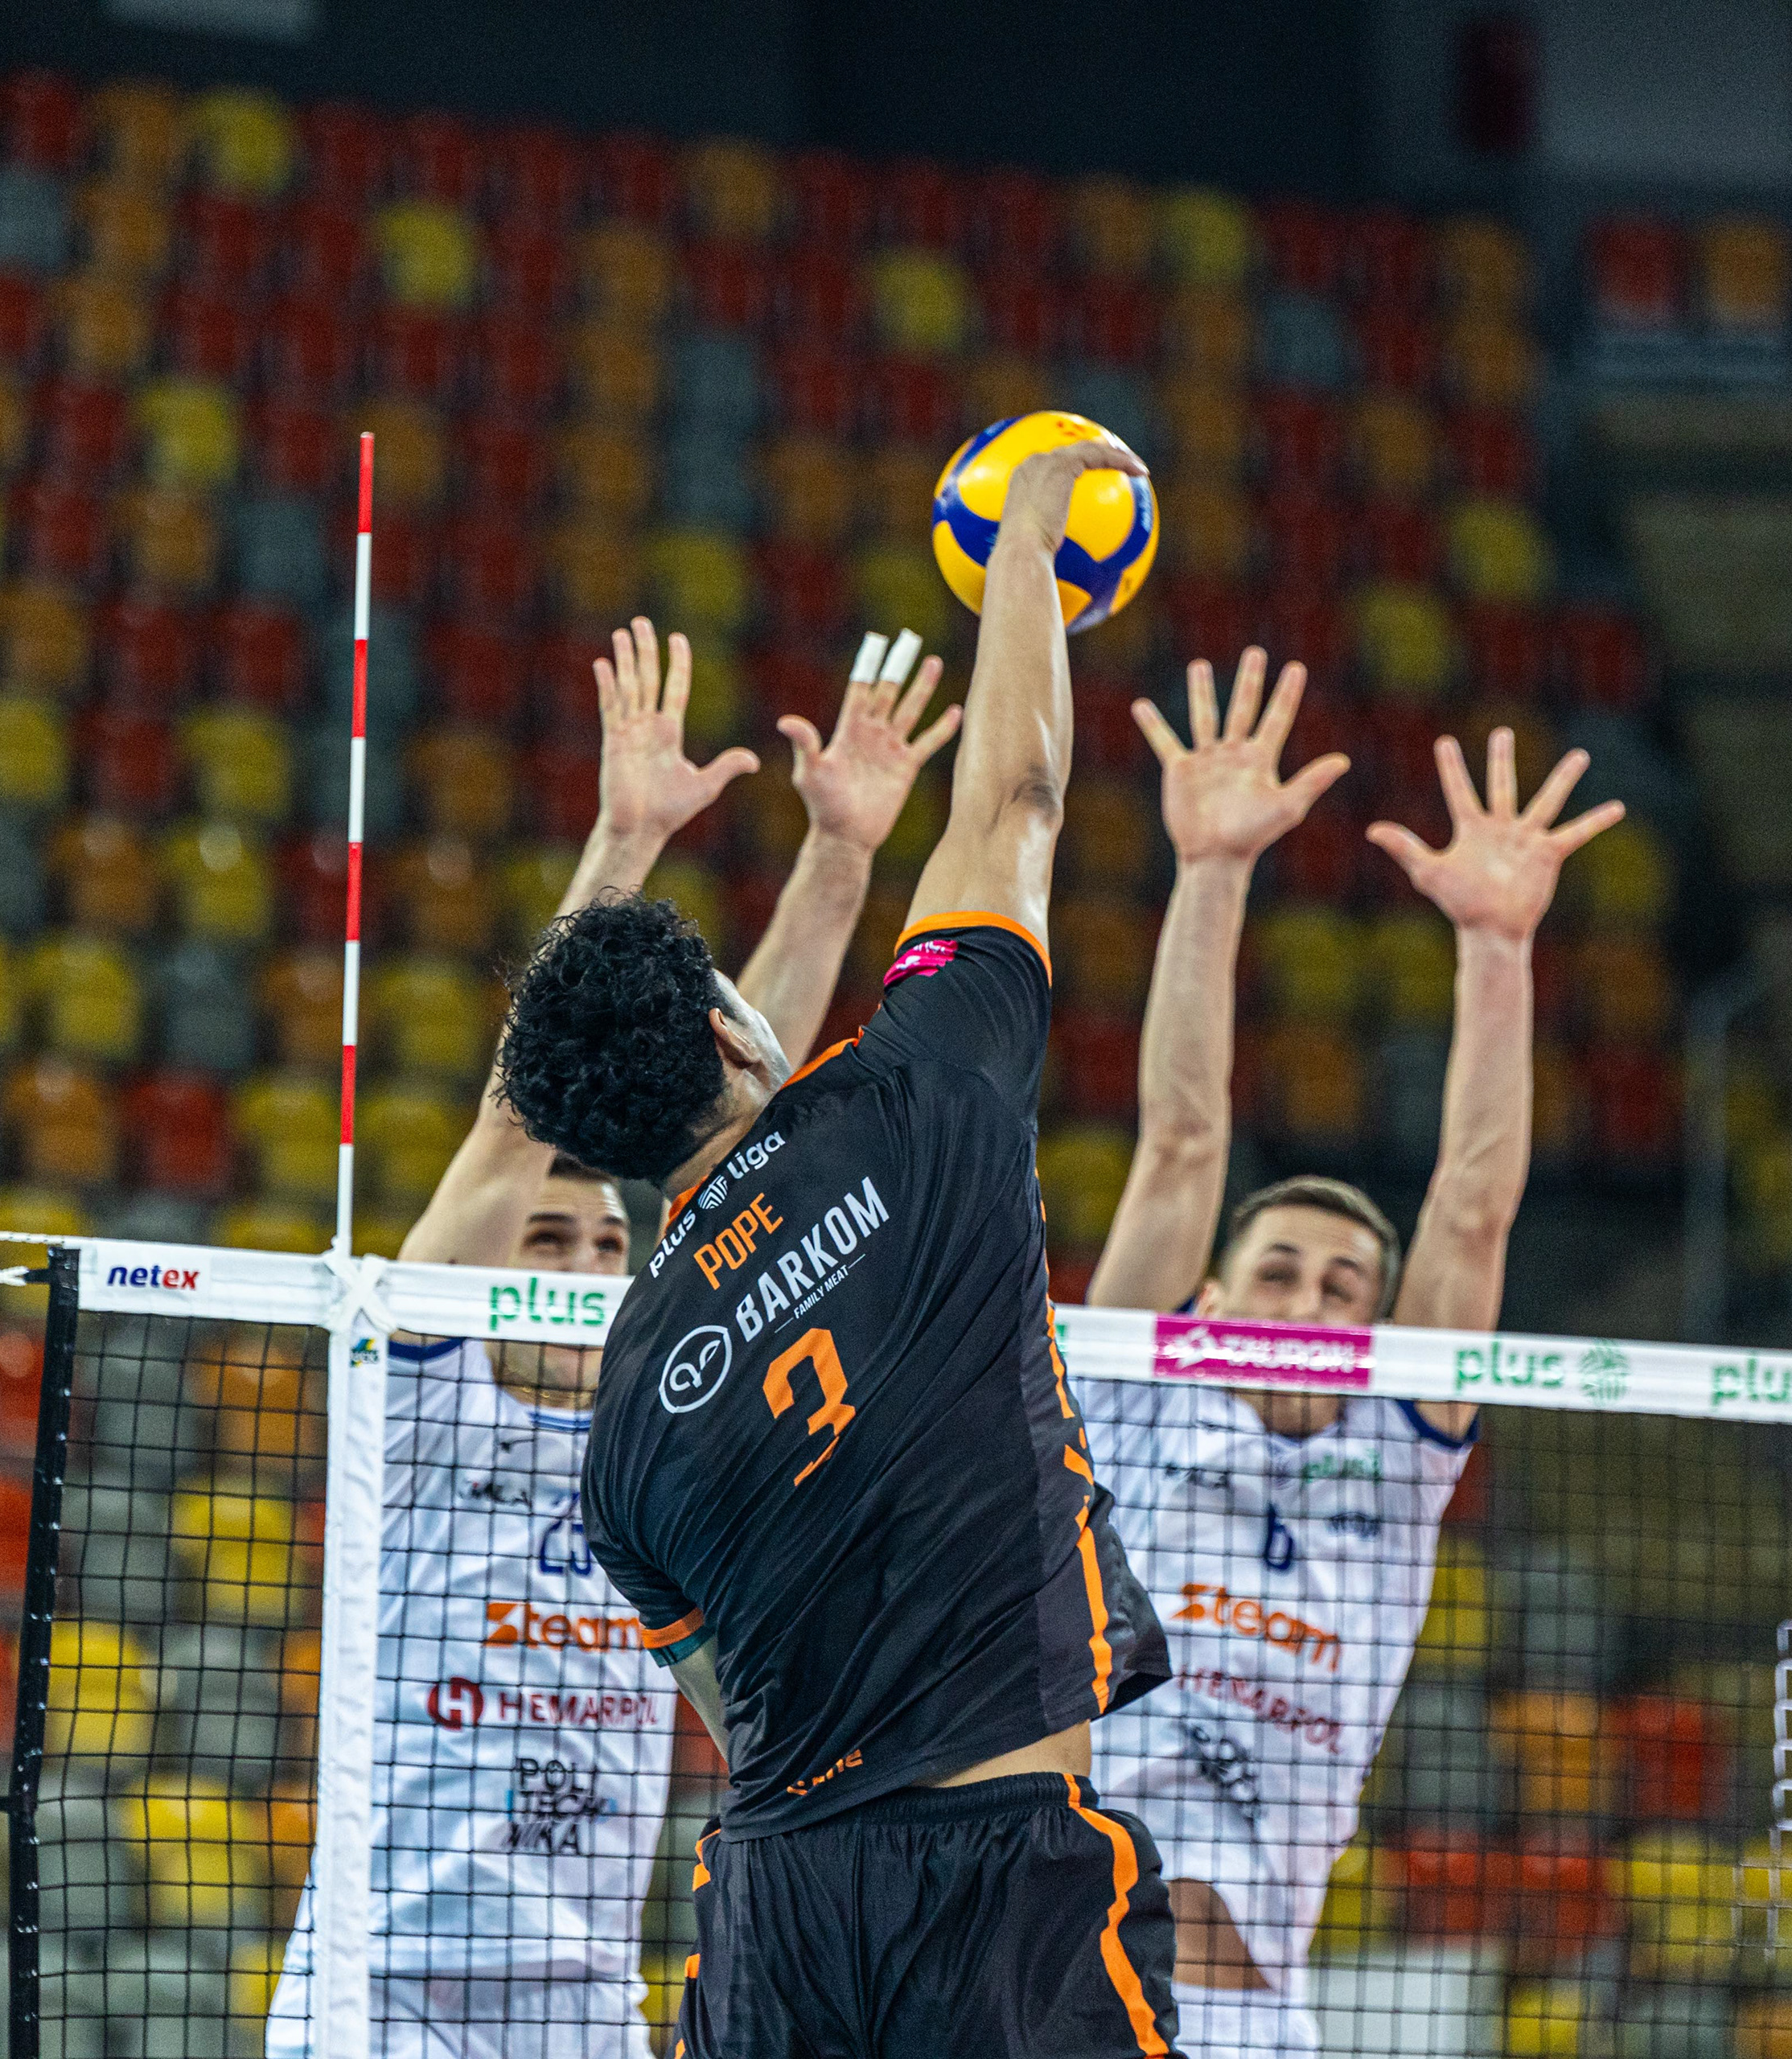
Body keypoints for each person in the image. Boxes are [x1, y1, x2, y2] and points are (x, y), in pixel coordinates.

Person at [499, 436, 1182, 2059]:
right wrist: (1027, 543)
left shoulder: (621, 1423)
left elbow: (732, 1716)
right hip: (996, 1878)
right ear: (734, 1030)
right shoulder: (917, 1096)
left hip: (775, 1910)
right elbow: (1014, 802)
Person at [269, 616, 961, 2059]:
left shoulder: (666, 1424)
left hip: (584, 2010)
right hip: (381, 2002)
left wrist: (843, 851)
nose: (587, 1267)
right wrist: (627, 838)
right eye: (550, 1241)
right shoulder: (420, 1406)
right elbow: (515, 1118)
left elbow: (744, 1111)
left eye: (606, 1246)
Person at [1077, 652, 1621, 2057]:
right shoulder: (1131, 1390)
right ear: (1207, 1299)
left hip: (1258, 2025)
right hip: (1062, 1990)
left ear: (1377, 1333)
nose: (1308, 1302)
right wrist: (1212, 869)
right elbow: (1182, 1140)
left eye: (1341, 1288)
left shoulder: (1400, 1442)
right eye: (1275, 1273)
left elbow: (1474, 1205)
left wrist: (1497, 947)